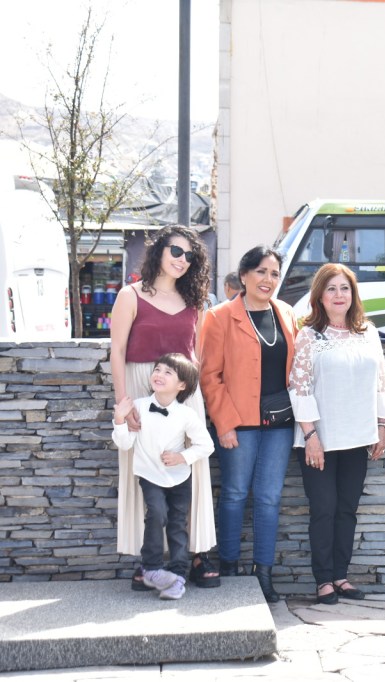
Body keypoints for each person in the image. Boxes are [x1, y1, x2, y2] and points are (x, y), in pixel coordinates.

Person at [109, 224, 221, 591]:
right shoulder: (130, 295)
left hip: (185, 393)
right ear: (159, 250)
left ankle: (193, 554)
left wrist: (195, 399)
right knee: (142, 473)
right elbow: (117, 351)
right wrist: (123, 402)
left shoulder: (196, 301)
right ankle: (149, 561)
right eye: (176, 251)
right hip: (140, 383)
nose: (182, 259)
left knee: (192, 471)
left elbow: (196, 356)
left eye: (190, 255)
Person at [289, 263, 385, 605]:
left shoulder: (368, 333)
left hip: (358, 436)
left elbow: (381, 381)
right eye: (331, 288)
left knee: (347, 509)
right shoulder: (309, 335)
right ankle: (323, 580)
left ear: (353, 294)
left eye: (345, 288)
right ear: (320, 296)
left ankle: (340, 576)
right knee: (324, 508)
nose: (339, 295)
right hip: (319, 439)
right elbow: (299, 387)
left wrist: (382, 426)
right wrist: (310, 436)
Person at [200, 245, 299, 603]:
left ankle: (263, 574)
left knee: (270, 497)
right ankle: (228, 567)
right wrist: (223, 424)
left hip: (279, 423)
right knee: (235, 494)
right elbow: (209, 376)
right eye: (261, 271)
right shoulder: (219, 317)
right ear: (244, 275)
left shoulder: (286, 313)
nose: (268, 279)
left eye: (274, 273)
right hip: (237, 423)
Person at [111, 353, 214, 600]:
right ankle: (152, 567)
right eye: (157, 369)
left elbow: (206, 445)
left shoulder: (186, 414)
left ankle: (178, 576)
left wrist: (182, 457)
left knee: (178, 524)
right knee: (156, 514)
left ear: (182, 385)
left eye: (168, 372)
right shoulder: (139, 407)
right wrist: (119, 419)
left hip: (179, 478)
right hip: (150, 475)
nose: (159, 374)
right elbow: (124, 444)